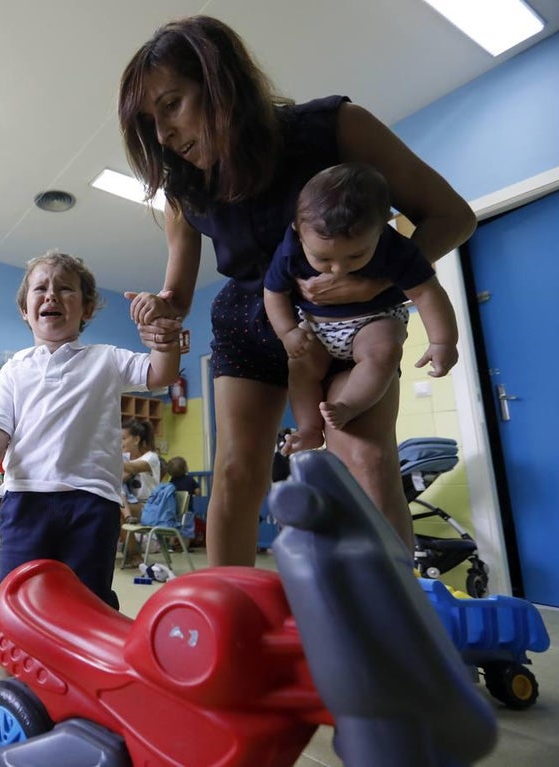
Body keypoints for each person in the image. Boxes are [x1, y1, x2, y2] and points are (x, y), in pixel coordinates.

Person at [118, 15, 476, 561]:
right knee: (237, 470)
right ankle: (226, 622)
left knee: (367, 458)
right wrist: (159, 311)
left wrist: (373, 283)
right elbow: (178, 293)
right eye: (151, 121)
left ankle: (399, 625)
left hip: (347, 321)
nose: (163, 135)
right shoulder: (183, 190)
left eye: (172, 104)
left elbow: (452, 216)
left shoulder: (337, 127)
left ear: (220, 83)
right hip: (247, 317)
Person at [0, 250, 180, 607]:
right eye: (40, 289)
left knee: (87, 599)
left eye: (65, 289)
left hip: (93, 501)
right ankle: (19, 659)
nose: (51, 295)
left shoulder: (106, 359)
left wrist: (164, 337)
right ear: (24, 311)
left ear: (87, 309)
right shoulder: (14, 370)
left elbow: (162, 373)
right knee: (17, 599)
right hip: (26, 499)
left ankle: (81, 658)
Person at [265, 163, 459, 453]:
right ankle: (308, 429)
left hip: (375, 319)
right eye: (323, 259)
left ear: (381, 231)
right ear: (298, 231)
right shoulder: (290, 249)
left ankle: (348, 405)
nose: (339, 269)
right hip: (317, 328)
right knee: (300, 366)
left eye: (356, 255)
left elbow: (427, 292)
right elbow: (273, 292)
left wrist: (444, 341)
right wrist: (287, 332)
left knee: (383, 352)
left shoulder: (395, 250)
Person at [119, 418, 162, 568]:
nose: (120, 442)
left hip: (149, 507)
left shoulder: (151, 457)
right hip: (132, 504)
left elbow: (133, 468)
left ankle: (134, 554)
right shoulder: (126, 459)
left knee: (114, 508)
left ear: (136, 439)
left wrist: (109, 457)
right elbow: (120, 479)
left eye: (123, 438)